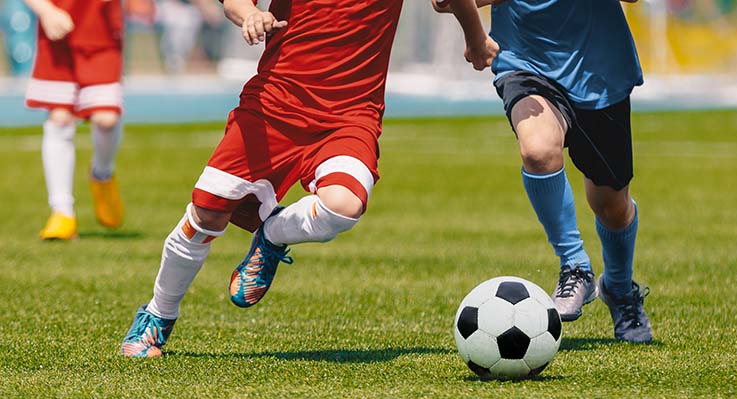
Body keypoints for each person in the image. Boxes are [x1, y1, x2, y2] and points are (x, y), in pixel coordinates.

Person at [119, 0, 497, 358]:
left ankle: (272, 235)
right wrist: (249, 14)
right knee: (207, 215)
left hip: (351, 114)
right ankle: (158, 313)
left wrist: (475, 38)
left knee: (345, 205)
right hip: (271, 106)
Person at [435, 0, 652, 343]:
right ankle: (575, 265)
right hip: (525, 62)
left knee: (612, 205)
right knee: (537, 150)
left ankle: (620, 289)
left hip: (599, 70)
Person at [24, 0, 125, 240]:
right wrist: (45, 10)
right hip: (57, 30)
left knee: (106, 119)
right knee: (60, 118)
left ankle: (102, 174)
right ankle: (62, 212)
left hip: (102, 34)